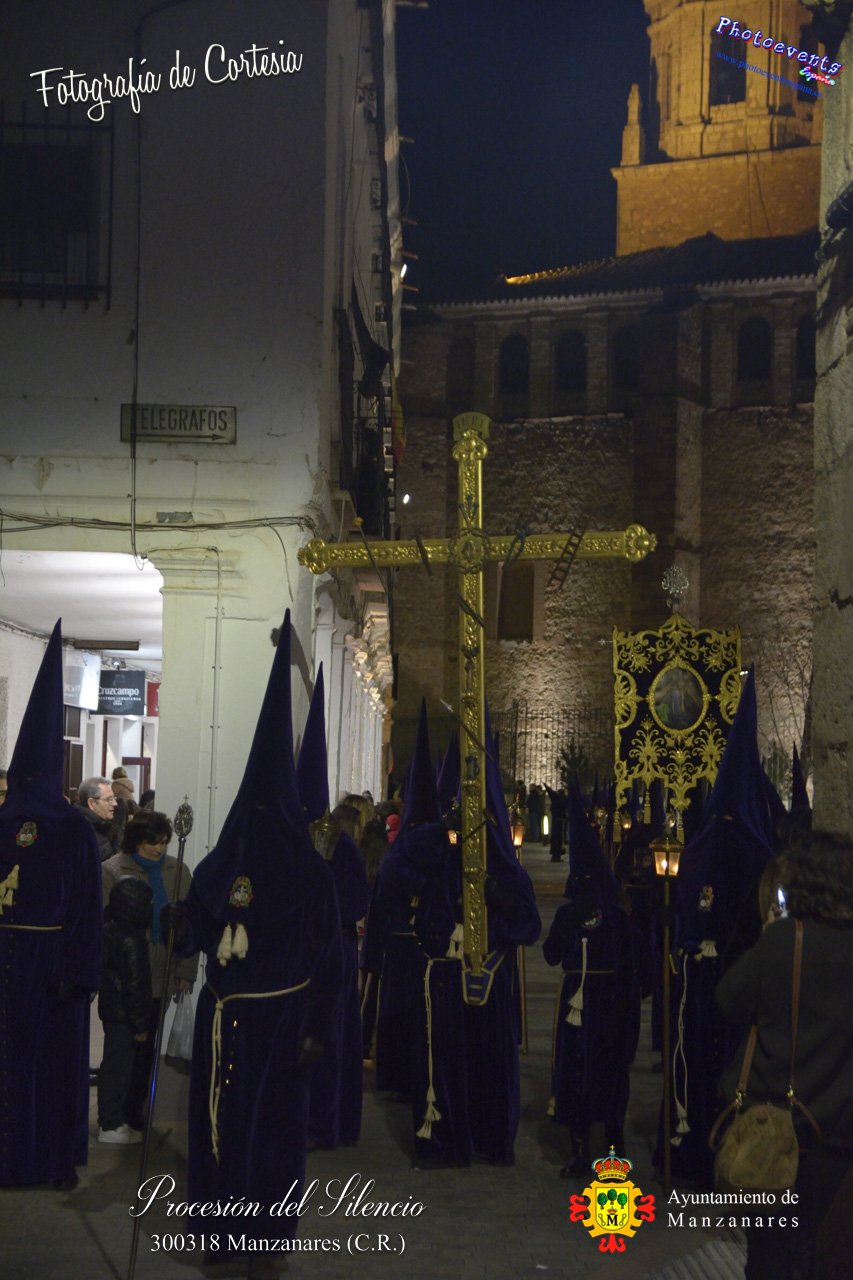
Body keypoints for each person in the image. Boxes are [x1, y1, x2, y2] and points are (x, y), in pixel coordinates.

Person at [163, 613, 343, 1280]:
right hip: (222, 1018)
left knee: (273, 1133)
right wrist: (180, 929)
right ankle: (217, 1229)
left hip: (282, 1023)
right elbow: (199, 924)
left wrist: (318, 1030)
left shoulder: (311, 876)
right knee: (217, 1129)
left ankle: (266, 1237)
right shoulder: (220, 862)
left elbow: (330, 961)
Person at [716, 833, 853, 1280]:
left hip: (778, 1128)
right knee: (827, 1253)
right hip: (840, 1135)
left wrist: (768, 938)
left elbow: (729, 1000)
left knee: (772, 1255)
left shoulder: (785, 942)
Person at [0, 622, 102, 1190]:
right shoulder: (16, 824)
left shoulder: (71, 829)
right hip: (23, 961)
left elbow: (85, 908)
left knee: (49, 1064)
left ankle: (47, 1157)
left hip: (47, 965)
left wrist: (79, 974)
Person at [544, 784, 640, 1175]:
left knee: (600, 1072)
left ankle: (605, 1148)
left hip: (603, 1002)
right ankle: (586, 1149)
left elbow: (630, 962)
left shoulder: (612, 916)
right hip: (586, 1003)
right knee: (583, 1073)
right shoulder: (586, 914)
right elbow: (552, 954)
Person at [296, 664, 370, 1149]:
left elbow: (356, 901)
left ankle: (324, 1123)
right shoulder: (290, 843)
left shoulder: (340, 849)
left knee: (329, 1038)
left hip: (329, 955)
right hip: (295, 957)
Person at [102, 809, 198, 1132]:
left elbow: (189, 924)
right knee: (121, 1049)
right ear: (136, 841)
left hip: (161, 972)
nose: (159, 848)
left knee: (146, 1049)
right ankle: (112, 1116)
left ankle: (135, 1110)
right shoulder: (113, 870)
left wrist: (186, 969)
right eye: (152, 842)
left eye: (164, 842)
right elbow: (105, 927)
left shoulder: (177, 871)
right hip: (126, 976)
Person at [97, 878, 152, 1144]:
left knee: (114, 1066)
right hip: (124, 1016)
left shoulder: (110, 930)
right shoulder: (133, 940)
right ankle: (110, 1124)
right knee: (119, 1070)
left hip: (112, 1010)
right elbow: (135, 986)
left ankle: (113, 1120)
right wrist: (141, 1026)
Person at [77, 776, 119, 861]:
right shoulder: (85, 834)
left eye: (114, 798)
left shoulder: (101, 827)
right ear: (92, 803)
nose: (115, 803)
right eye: (109, 799)